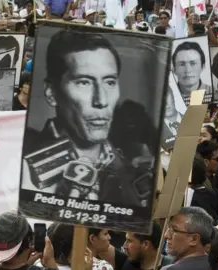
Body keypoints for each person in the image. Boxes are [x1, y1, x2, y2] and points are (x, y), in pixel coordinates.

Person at [21, 30, 154, 210]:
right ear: (51, 92)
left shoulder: (134, 169)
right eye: (84, 82)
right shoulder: (22, 163)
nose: (101, 101)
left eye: (109, 82)